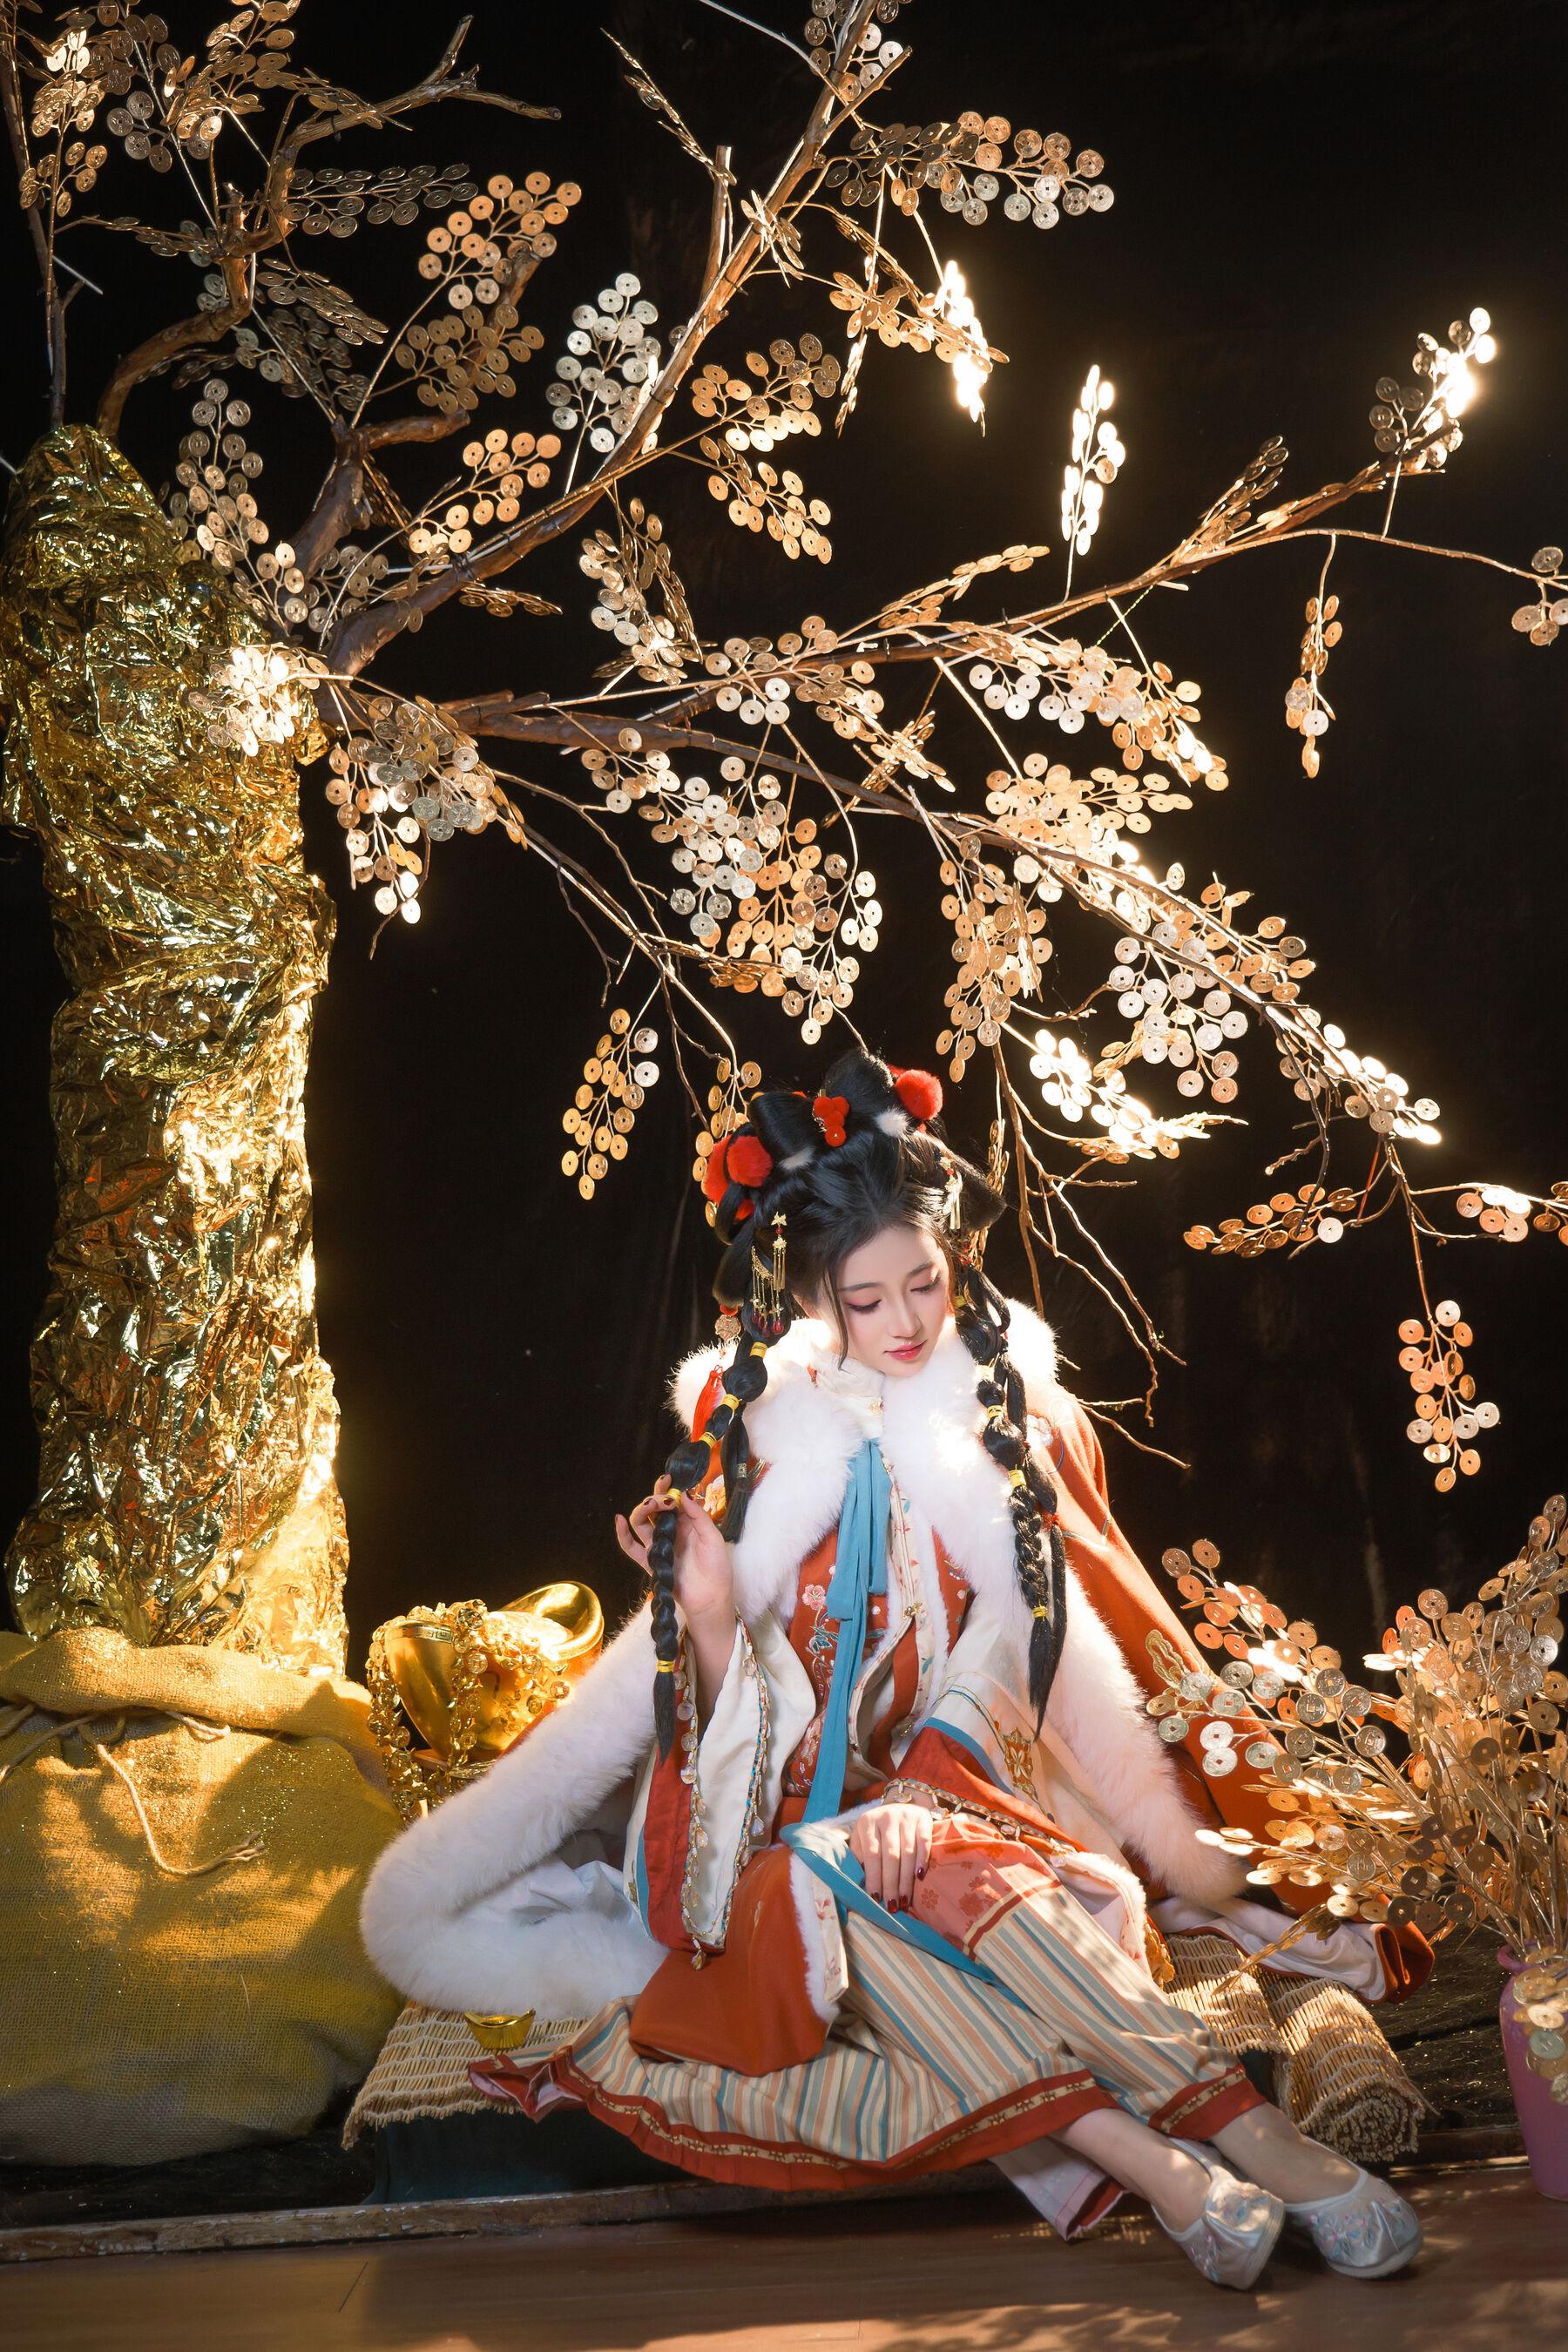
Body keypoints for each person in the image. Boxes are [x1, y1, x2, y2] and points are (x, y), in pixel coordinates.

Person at [361, 1051, 1425, 2288]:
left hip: (981, 1799)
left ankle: (1201, 2168)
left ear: (956, 1260)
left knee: (942, 1892)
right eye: (869, 1300)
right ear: (819, 1300)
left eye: (926, 1282)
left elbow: (1026, 1640)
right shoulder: (753, 1437)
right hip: (770, 1833)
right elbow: (720, 1735)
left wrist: (923, 1792)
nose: (909, 1323)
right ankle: (1208, 2150)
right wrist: (710, 1612)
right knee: (849, 1901)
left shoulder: (1007, 1416)